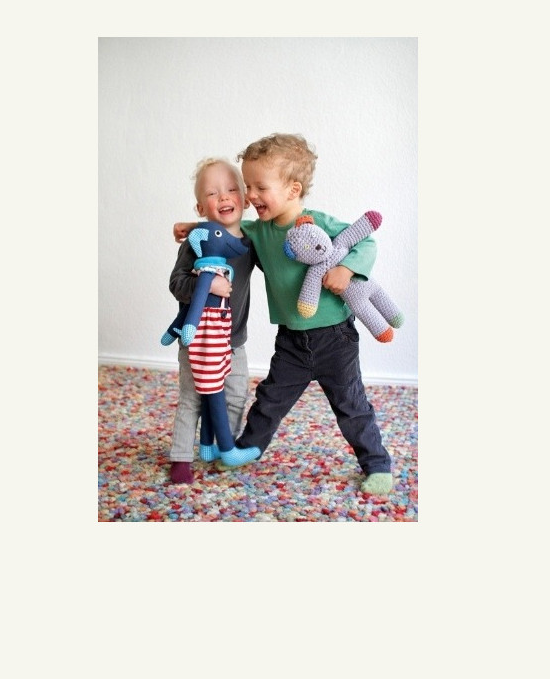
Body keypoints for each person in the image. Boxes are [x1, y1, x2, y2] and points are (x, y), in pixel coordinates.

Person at [174, 134, 393, 495]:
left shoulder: (316, 222)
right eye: (247, 186)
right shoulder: (258, 232)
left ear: (293, 190)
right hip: (291, 340)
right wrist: (194, 227)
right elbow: (223, 228)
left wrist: (347, 269)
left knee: (351, 405)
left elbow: (365, 241)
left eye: (260, 187)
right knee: (270, 399)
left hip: (334, 337)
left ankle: (377, 463)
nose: (250, 196)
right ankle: (248, 447)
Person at [165, 157, 259, 484]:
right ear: (200, 208)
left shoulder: (250, 242)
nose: (223, 197)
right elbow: (176, 284)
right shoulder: (195, 247)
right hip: (198, 341)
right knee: (192, 399)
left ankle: (222, 446)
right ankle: (180, 456)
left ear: (245, 199)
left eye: (232, 189)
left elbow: (273, 238)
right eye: (212, 193)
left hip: (234, 342)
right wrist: (207, 285)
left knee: (235, 395)